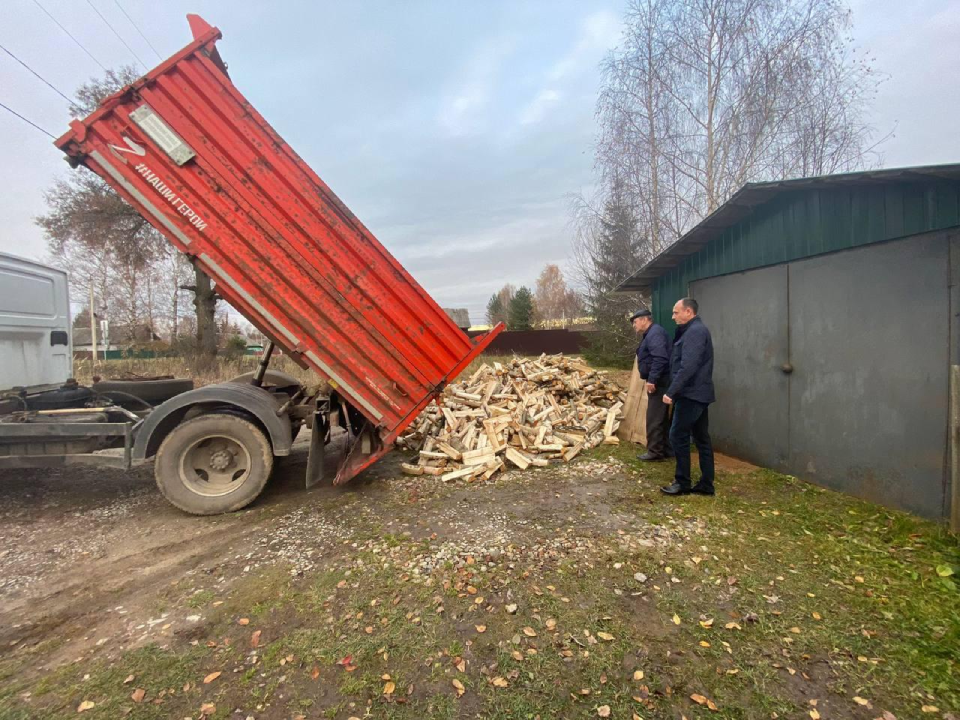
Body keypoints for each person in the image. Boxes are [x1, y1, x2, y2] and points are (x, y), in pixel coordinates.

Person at [662, 298, 715, 496]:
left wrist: (671, 391)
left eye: (676, 312)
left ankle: (682, 482)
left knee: (677, 435)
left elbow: (688, 366)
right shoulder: (693, 330)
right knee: (702, 438)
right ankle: (706, 484)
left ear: (689, 312)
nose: (673, 316)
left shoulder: (695, 332)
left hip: (691, 394)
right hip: (697, 393)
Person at [630, 309, 672, 461]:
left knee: (654, 417)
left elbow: (660, 358)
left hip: (660, 382)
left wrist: (652, 380)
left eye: (635, 322)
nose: (634, 325)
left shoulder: (655, 334)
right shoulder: (651, 333)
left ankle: (655, 452)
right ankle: (666, 449)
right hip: (661, 381)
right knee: (661, 417)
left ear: (644, 320)